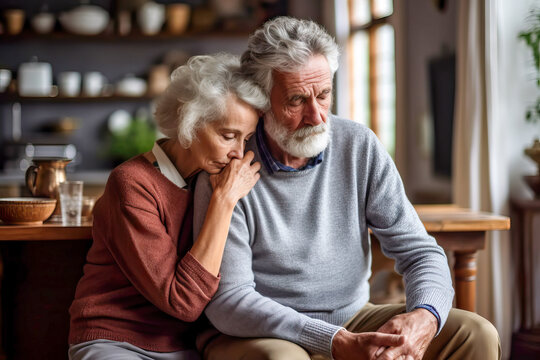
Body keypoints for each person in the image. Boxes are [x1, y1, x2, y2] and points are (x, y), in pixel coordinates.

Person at [193, 17, 501, 360]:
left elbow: (421, 253)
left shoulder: (358, 145)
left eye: (324, 95)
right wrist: (333, 341)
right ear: (262, 101)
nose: (317, 116)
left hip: (352, 318)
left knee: (476, 334)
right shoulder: (228, 165)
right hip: (260, 331)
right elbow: (229, 301)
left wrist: (424, 317)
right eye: (297, 100)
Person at [68, 53, 268, 360]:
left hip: (189, 345)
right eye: (228, 136)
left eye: (247, 139)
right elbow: (182, 302)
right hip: (117, 341)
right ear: (189, 122)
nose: (238, 153)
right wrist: (224, 201)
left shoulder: (212, 179)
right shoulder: (132, 183)